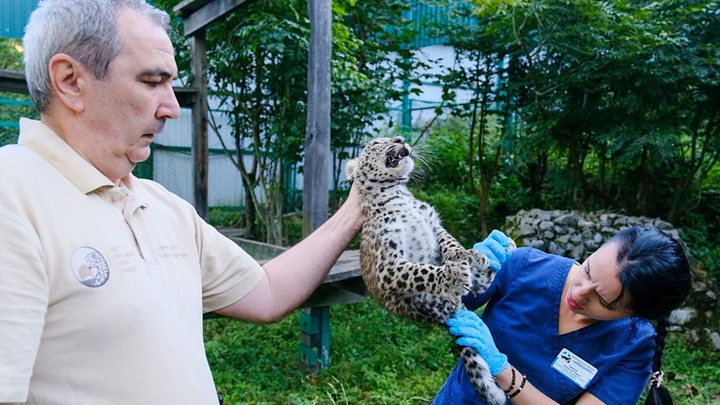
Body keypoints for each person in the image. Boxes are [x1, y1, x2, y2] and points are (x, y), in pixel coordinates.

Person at [0, 1, 363, 404]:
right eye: (152, 82)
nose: (171, 108)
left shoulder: (158, 204)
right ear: (70, 81)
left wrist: (355, 208)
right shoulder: (12, 194)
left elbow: (269, 292)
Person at [434, 226, 693, 405]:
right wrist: (453, 272)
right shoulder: (525, 266)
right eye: (589, 270)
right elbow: (426, 303)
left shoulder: (634, 346)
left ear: (635, 314)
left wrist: (503, 372)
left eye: (602, 301)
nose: (578, 294)